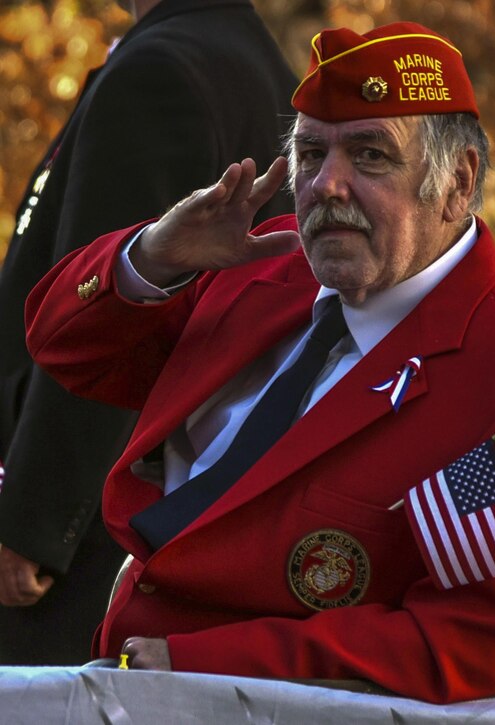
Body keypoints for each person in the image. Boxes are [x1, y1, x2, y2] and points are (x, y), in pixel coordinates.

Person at [24, 22, 495, 704]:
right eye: (310, 154)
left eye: (370, 155)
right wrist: (155, 256)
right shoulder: (259, 266)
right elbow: (67, 351)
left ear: (457, 182)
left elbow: (475, 636)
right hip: (113, 679)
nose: (326, 185)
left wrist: (207, 666)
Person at [0, 0, 297, 665]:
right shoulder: (257, 61)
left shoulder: (158, 70)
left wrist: (33, 525)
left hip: (97, 529)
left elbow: (104, 321)